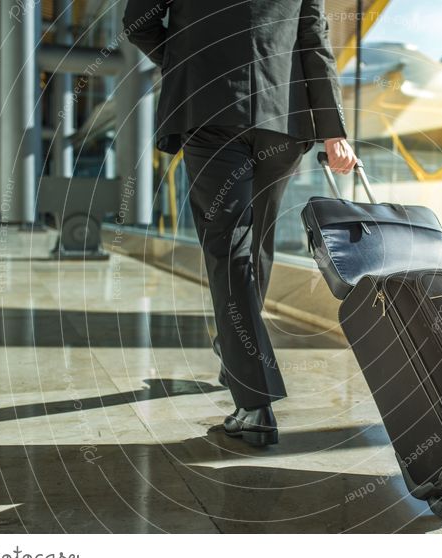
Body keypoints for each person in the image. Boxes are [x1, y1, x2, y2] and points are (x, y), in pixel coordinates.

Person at [123, 0, 357, 445]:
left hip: (210, 106)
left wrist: (186, 59)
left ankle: (253, 403)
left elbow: (139, 23)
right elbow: (313, 41)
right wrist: (334, 130)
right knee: (257, 242)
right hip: (281, 114)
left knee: (230, 247)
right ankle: (236, 344)